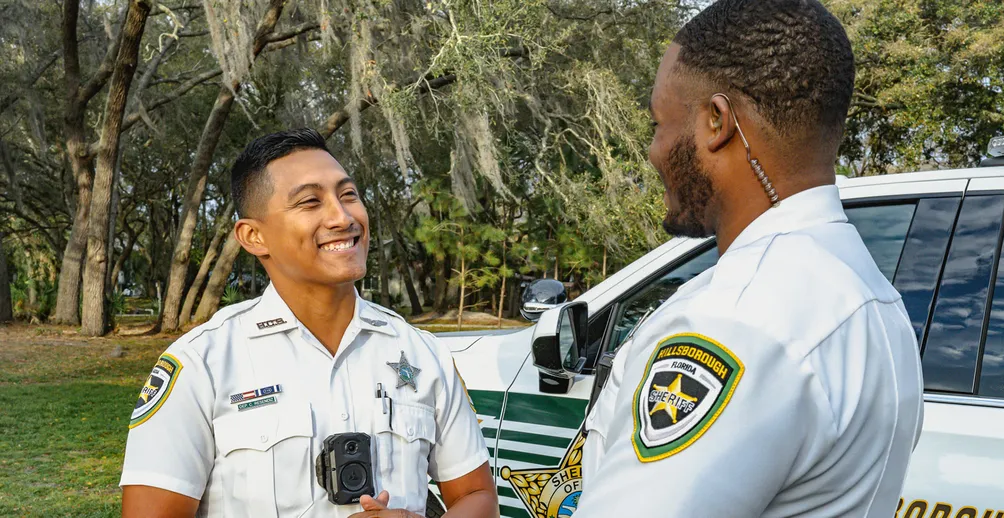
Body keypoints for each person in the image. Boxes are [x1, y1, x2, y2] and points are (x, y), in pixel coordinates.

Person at [575, 0, 924, 516]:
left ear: (716, 122)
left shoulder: (736, 318)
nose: (652, 151)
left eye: (659, 124)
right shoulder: (871, 294)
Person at [119, 128, 498, 518]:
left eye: (348, 194)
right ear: (253, 236)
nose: (342, 216)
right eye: (310, 201)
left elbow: (477, 497)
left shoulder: (422, 352)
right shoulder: (204, 364)